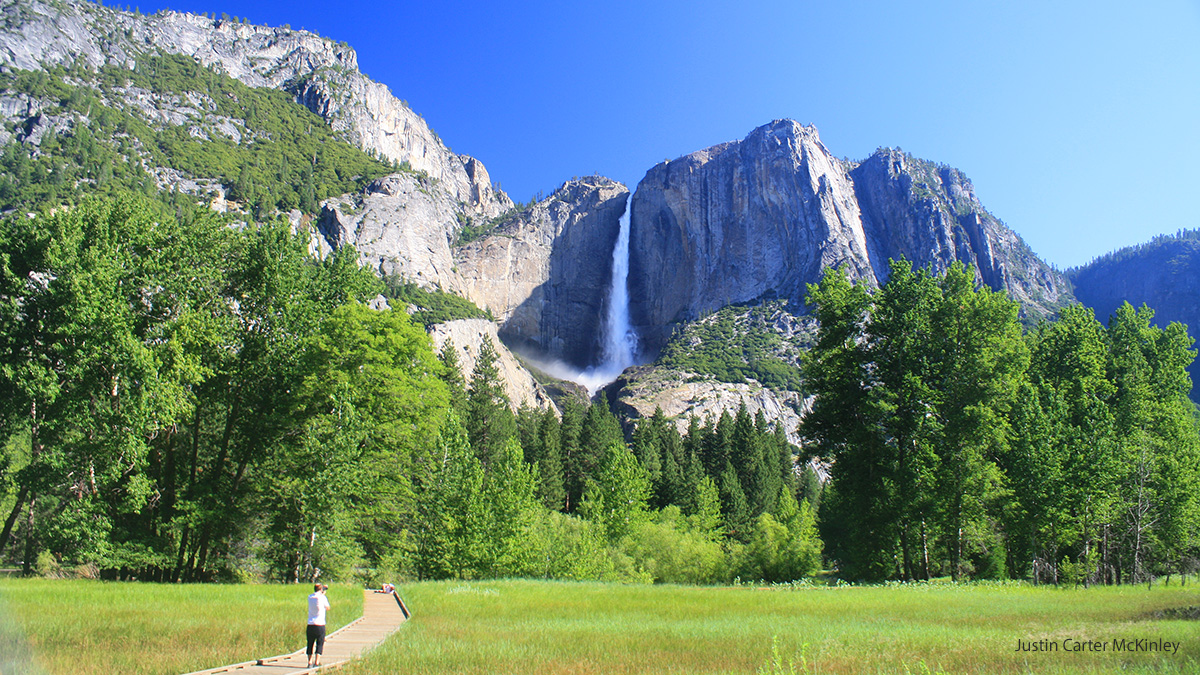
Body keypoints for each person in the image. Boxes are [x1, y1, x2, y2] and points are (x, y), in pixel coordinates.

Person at [306, 583, 330, 668]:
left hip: (310, 624)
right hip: (320, 624)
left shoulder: (310, 597)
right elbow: (327, 607)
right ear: (321, 590)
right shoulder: (323, 598)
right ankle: (316, 662)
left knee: (310, 643)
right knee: (320, 643)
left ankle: (309, 662)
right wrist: (323, 595)